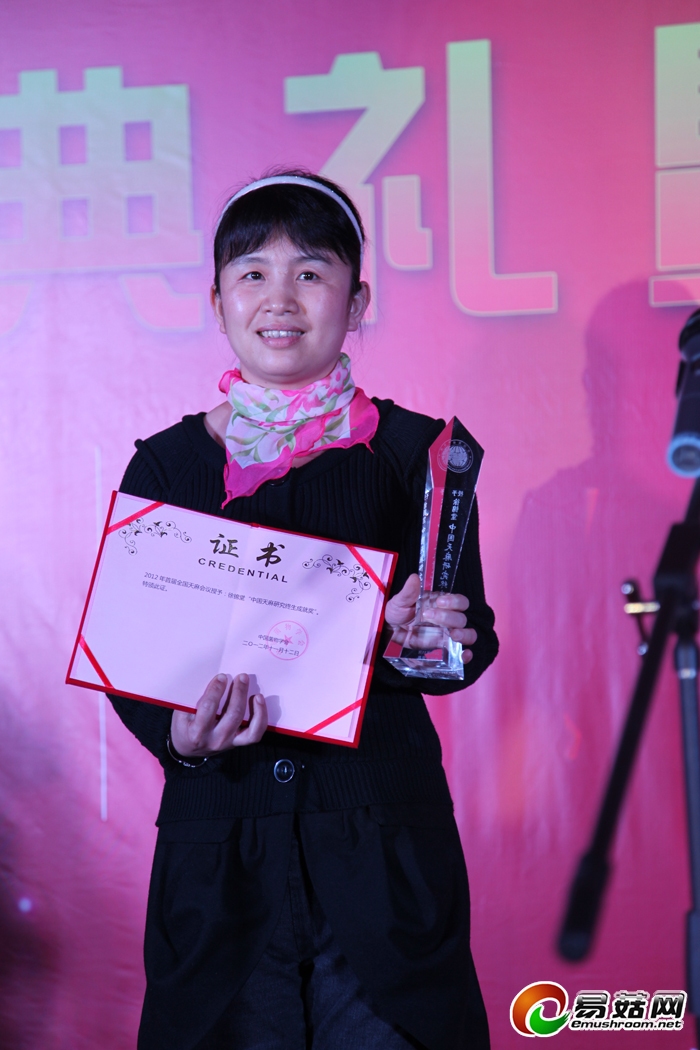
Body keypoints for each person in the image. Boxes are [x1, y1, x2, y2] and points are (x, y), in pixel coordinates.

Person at [109, 170, 499, 1050]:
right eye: (252, 273)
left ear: (356, 301)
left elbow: (461, 644)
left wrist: (428, 641)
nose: (280, 298)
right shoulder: (165, 467)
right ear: (217, 302)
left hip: (381, 848)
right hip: (222, 851)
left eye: (311, 273)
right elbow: (130, 665)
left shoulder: (420, 454)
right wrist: (181, 737)